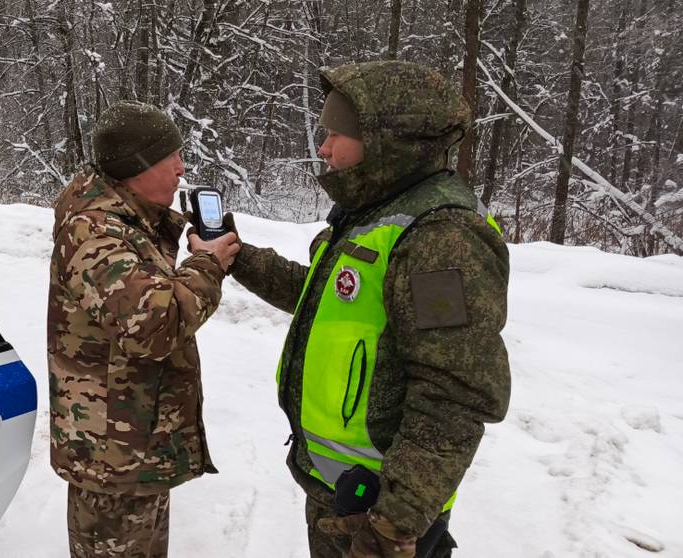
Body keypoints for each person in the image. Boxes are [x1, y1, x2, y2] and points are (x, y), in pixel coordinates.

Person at [228, 61, 512, 557]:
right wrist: (239, 256)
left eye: (336, 134)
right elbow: (323, 300)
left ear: (389, 141)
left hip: (380, 517)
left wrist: (395, 522)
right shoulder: (372, 212)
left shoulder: (442, 238)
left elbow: (454, 394)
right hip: (343, 494)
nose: (323, 148)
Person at [47, 100, 240, 558]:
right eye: (170, 157)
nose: (181, 167)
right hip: (111, 458)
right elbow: (155, 325)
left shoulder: (130, 221)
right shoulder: (93, 232)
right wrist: (207, 265)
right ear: (135, 166)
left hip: (137, 447)